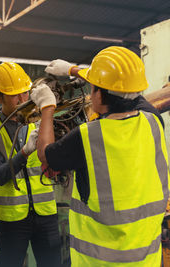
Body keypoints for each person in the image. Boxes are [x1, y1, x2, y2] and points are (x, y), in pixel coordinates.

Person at [31, 46, 169, 266]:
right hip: (147, 259)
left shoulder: (87, 137)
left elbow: (46, 155)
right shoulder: (153, 122)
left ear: (100, 94)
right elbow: (131, 94)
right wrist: (75, 71)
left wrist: (47, 107)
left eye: (94, 87)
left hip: (100, 261)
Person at [0, 62, 62, 267]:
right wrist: (24, 153)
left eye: (25, 93)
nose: (23, 100)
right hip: (11, 219)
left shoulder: (39, 120)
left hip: (45, 213)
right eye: (15, 95)